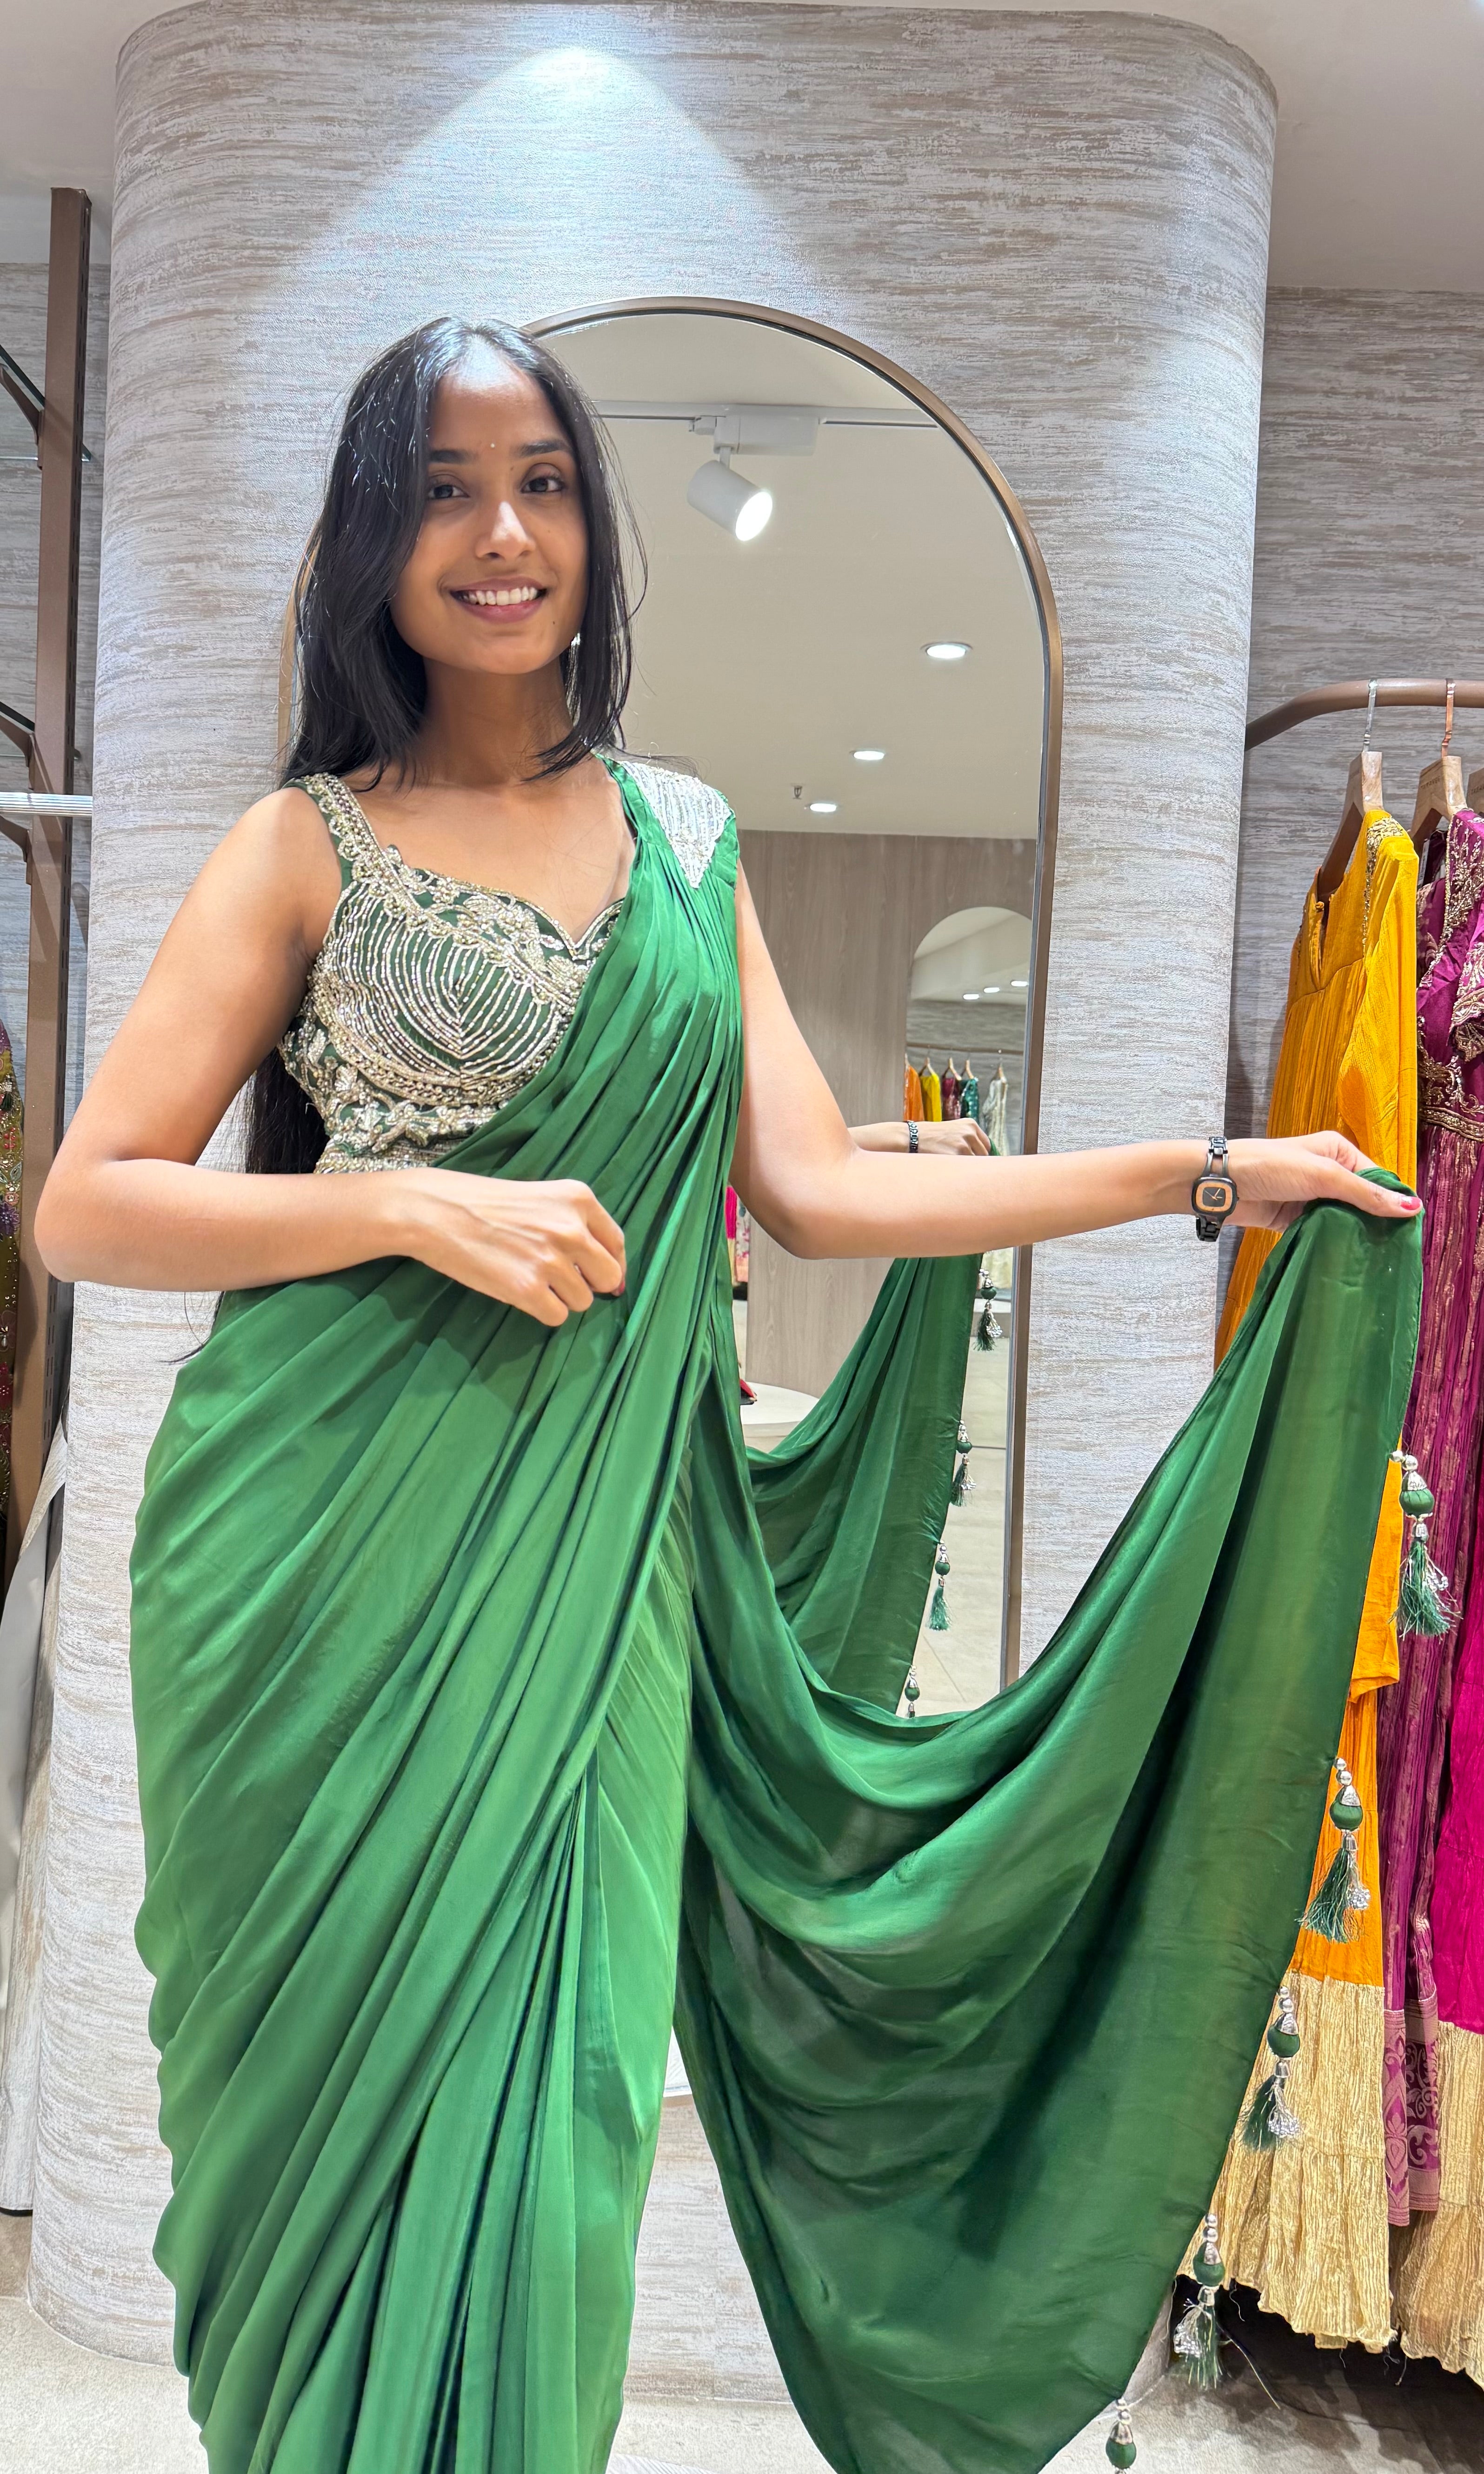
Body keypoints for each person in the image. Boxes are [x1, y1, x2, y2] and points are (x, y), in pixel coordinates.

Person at [36, 319, 1421, 2474]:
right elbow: (88, 1206)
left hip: (595, 1605)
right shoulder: (301, 846)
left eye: (548, 481)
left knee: (569, 2122)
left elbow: (821, 1184)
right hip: (310, 1582)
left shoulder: (686, 839)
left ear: (593, 521)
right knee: (318, 2118)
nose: (503, 534)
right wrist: (409, 1213)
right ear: (370, 541)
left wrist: (1218, 1174)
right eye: (442, 487)